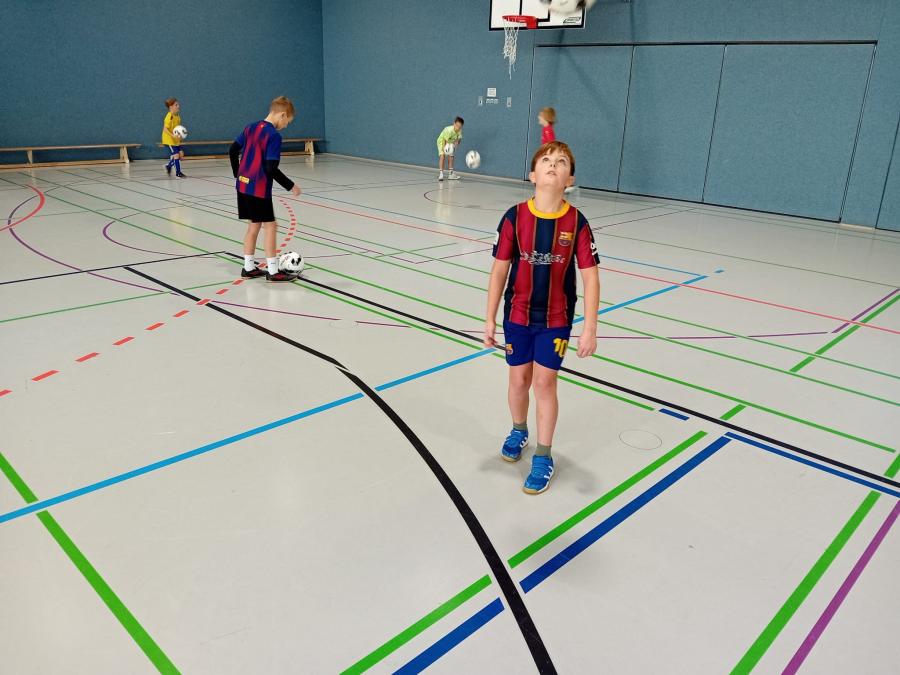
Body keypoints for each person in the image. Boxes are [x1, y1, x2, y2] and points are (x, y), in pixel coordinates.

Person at [483, 141, 600, 494]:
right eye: (546, 160)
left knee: (545, 384)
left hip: (556, 319)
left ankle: (544, 455)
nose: (553, 164)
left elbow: (591, 277)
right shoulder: (514, 217)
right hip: (517, 315)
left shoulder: (577, 222)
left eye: (562, 162)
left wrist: (590, 328)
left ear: (570, 179)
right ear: (533, 175)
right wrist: (489, 319)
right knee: (519, 380)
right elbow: (499, 270)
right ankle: (519, 430)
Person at [229, 96, 302, 282]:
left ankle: (248, 267)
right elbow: (271, 168)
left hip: (242, 185)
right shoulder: (273, 136)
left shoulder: (250, 127)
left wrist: (238, 173)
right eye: (287, 122)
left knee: (254, 225)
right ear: (282, 115)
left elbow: (232, 150)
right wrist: (290, 185)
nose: (285, 125)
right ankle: (273, 271)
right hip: (258, 189)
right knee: (271, 226)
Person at [162, 98, 186, 178]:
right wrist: (172, 136)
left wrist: (180, 135)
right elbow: (165, 129)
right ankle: (178, 173)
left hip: (175, 139)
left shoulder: (178, 116)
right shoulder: (169, 116)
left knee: (181, 155)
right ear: (171, 107)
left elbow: (177, 128)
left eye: (178, 104)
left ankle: (168, 166)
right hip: (169, 139)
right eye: (176, 105)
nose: (178, 106)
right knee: (176, 155)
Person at [436, 117, 464, 181]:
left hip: (450, 143)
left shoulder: (459, 131)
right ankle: (441, 174)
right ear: (454, 124)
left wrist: (455, 145)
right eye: (457, 126)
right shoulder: (449, 130)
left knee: (451, 156)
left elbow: (459, 139)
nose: (458, 128)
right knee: (442, 156)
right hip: (442, 141)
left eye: (459, 127)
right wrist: (445, 150)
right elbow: (445, 141)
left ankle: (451, 174)